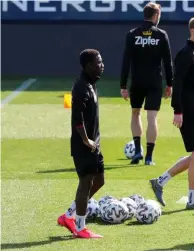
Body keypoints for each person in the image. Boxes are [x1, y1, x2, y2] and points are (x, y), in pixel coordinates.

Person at [149, 15, 194, 210]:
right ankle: (192, 201)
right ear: (192, 31)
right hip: (188, 110)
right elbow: (178, 84)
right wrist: (177, 111)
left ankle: (160, 181)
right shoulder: (185, 54)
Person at [57, 49, 105, 238]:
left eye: (101, 62)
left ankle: (68, 215)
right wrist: (86, 140)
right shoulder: (81, 88)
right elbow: (77, 118)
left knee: (100, 180)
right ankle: (79, 227)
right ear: (87, 66)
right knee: (85, 183)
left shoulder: (91, 85)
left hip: (94, 144)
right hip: (84, 146)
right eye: (98, 63)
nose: (102, 65)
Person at [119, 2, 174, 165]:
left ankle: (137, 152)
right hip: (154, 82)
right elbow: (167, 63)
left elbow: (126, 61)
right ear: (156, 16)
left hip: (136, 82)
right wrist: (169, 84)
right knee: (152, 118)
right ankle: (149, 157)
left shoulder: (132, 34)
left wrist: (123, 85)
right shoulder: (161, 35)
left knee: (135, 114)